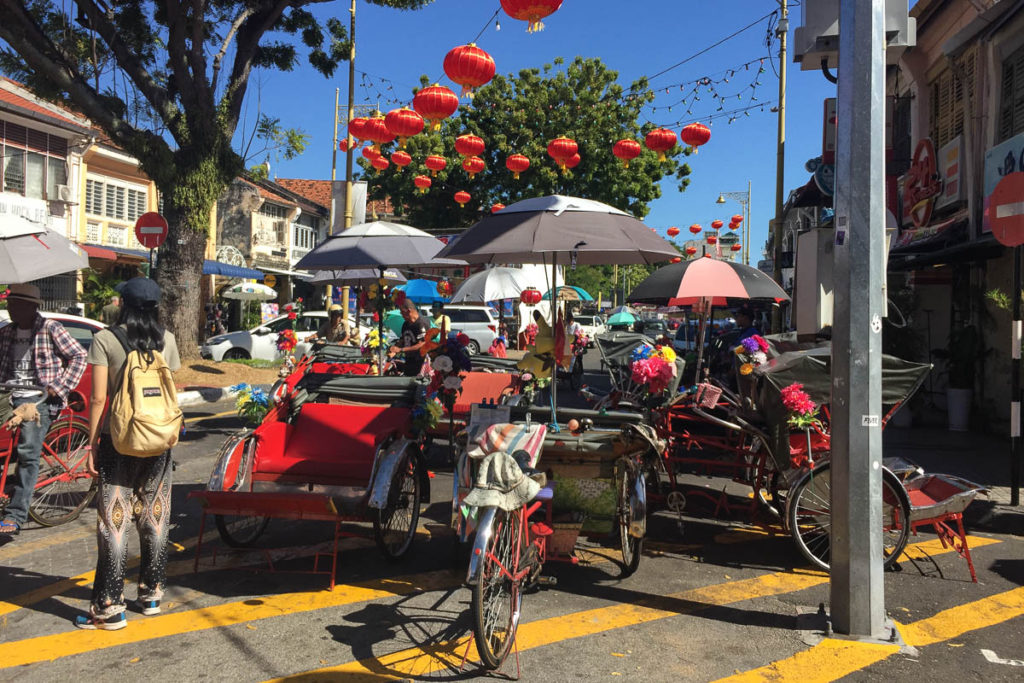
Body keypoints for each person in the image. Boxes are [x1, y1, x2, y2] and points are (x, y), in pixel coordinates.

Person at [79, 277, 181, 630]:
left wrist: (92, 444)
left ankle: (110, 607)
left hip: (117, 440)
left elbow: (97, 399)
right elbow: (171, 389)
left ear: (124, 303)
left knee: (115, 522)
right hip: (157, 440)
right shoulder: (166, 340)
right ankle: (151, 594)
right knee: (155, 515)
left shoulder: (106, 339)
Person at [0, 284, 87, 537]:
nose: (11, 309)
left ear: (31, 306)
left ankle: (15, 515)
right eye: (9, 304)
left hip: (40, 401)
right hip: (10, 396)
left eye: (16, 305)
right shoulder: (6, 332)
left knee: (28, 452)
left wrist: (58, 387)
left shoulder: (51, 329)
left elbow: (79, 356)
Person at [388, 298, 429, 377]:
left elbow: (422, 344)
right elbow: (403, 339)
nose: (402, 315)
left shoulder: (421, 323)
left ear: (409, 311)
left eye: (402, 312)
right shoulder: (406, 324)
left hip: (420, 362)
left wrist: (401, 349)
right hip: (409, 361)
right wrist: (395, 348)